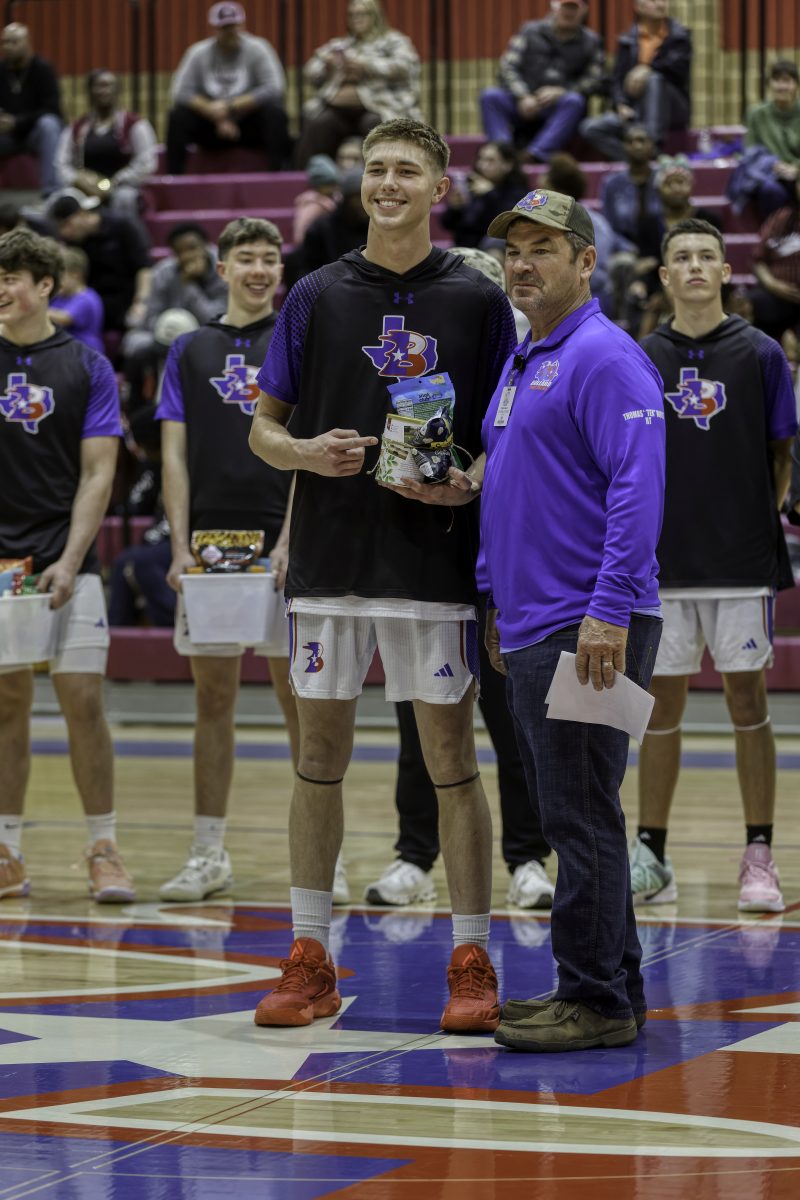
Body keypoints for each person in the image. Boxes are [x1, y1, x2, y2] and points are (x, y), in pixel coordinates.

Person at [248, 118, 517, 1032]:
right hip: (329, 563)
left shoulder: (478, 298)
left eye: (407, 170)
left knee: (451, 762)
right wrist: (304, 452)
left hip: (431, 562)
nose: (388, 183)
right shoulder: (315, 292)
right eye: (375, 169)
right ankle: (309, 955)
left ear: (440, 189)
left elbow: (508, 432)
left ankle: (471, 960)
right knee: (317, 760)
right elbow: (263, 429)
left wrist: (468, 483)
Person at [479, 188, 665, 1053]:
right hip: (536, 621)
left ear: (586, 262)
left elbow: (638, 488)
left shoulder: (604, 356)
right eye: (513, 250)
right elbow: (512, 486)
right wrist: (495, 595)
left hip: (589, 623)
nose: (522, 264)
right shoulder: (527, 358)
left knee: (579, 816)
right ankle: (613, 984)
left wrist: (607, 611)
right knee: (584, 810)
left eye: (542, 249)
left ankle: (590, 999)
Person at [364, 244, 553, 911]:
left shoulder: (528, 370)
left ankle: (528, 858)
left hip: (505, 571)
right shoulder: (417, 373)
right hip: (428, 563)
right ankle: (414, 856)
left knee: (513, 722)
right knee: (422, 722)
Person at [629, 219, 797, 912]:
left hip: (740, 563)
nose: (695, 265)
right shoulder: (641, 356)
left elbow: (781, 455)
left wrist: (750, 523)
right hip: (663, 564)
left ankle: (759, 855)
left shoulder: (761, 353)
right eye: (683, 257)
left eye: (707, 256)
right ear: (665, 276)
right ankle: (652, 855)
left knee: (748, 703)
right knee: (659, 709)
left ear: (727, 272)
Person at [156, 217, 297, 902]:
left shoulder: (296, 342)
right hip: (210, 549)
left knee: (302, 703)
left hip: (280, 547)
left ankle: (319, 855)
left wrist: (292, 541)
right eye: (247, 259)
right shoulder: (189, 349)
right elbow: (173, 456)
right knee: (212, 700)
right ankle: (207, 853)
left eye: (270, 258)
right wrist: (179, 545)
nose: (259, 269)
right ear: (223, 269)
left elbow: (308, 449)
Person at [0, 228, 134, 902]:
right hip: (1, 565)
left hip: (68, 559)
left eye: (11, 278)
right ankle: (7, 850)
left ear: (45, 285)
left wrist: (71, 558)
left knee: (83, 700)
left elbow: (98, 473)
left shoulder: (87, 365)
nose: (0, 289)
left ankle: (103, 846)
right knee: (7, 703)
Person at [166, 2, 290, 175]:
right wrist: (213, 112)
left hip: (248, 126)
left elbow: (274, 88)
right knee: (178, 116)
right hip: (210, 126)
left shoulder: (258, 49)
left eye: (233, 26)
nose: (230, 32)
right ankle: (174, 177)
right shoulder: (198, 53)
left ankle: (278, 173)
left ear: (242, 25)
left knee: (275, 114)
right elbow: (180, 92)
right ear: (214, 29)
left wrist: (231, 107)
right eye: (224, 28)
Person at [295, 0, 422, 167]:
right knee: (319, 124)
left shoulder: (393, 41)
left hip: (381, 106)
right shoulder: (340, 44)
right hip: (339, 109)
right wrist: (328, 66)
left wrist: (366, 66)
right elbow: (311, 71)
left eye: (362, 14)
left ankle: (380, 172)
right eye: (352, 15)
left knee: (373, 125)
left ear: (375, 16)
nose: (356, 18)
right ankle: (305, 175)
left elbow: (406, 66)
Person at [122, 221, 228, 415]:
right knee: (134, 343)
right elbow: (150, 319)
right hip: (168, 338)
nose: (187, 256)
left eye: (192, 248)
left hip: (212, 336)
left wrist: (188, 285)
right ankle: (139, 412)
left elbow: (216, 318)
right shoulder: (163, 272)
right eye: (180, 252)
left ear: (206, 246)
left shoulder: (224, 270)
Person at [480, 2, 606, 163]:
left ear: (584, 11)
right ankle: (503, 154)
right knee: (490, 96)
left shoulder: (592, 41)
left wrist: (563, 91)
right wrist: (523, 96)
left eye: (573, 8)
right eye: (565, 7)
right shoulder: (528, 31)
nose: (568, 13)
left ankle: (535, 155)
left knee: (575, 101)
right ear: (554, 8)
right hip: (522, 102)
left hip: (558, 107)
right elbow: (507, 67)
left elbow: (595, 79)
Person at [580, 0, 691, 161]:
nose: (660, 4)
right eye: (653, 0)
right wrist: (621, 104)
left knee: (654, 79)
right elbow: (617, 80)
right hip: (637, 110)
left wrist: (649, 68)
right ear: (639, 7)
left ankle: (652, 142)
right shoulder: (627, 40)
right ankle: (641, 159)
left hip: (672, 108)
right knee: (590, 128)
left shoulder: (679, 36)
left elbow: (679, 68)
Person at [54, 69, 158, 222]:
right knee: (62, 199)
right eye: (99, 86)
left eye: (109, 85)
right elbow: (61, 164)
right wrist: (77, 180)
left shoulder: (135, 125)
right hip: (83, 187)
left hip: (122, 186)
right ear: (89, 92)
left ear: (117, 91)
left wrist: (112, 183)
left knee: (124, 198)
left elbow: (146, 163)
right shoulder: (76, 128)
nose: (104, 91)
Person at [46, 188, 151, 337]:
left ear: (82, 213)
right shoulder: (73, 241)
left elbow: (144, 267)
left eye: (67, 224)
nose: (64, 232)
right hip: (93, 303)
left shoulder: (123, 225)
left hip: (127, 299)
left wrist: (141, 302)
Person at [0, 23, 61, 196]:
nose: (7, 47)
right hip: (6, 135)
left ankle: (51, 192)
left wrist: (17, 122)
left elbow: (52, 108)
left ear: (27, 43)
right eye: (4, 42)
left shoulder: (43, 69)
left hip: (35, 133)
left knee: (49, 124)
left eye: (13, 42)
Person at [441, 141, 529, 249]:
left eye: (490, 160)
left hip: (493, 249)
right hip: (464, 247)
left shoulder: (517, 191)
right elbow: (447, 224)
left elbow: (509, 223)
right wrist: (455, 208)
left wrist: (490, 193)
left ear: (507, 165)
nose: (482, 165)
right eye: (480, 159)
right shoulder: (471, 185)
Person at [287, 167, 368, 285]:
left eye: (368, 198)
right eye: (358, 197)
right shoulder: (322, 227)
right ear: (346, 199)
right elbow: (302, 266)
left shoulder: (376, 226)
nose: (364, 203)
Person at [742, 61, 800, 220]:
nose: (781, 86)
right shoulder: (757, 114)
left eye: (787, 81)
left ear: (796, 85)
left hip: (797, 173)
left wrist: (796, 169)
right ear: (769, 84)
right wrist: (774, 165)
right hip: (769, 174)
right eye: (777, 80)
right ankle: (775, 233)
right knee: (770, 190)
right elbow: (750, 152)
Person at [750, 175, 800, 344]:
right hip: (778, 295)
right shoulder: (781, 218)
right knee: (748, 305)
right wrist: (772, 284)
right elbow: (757, 260)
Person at [48, 245, 104, 354]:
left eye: (60, 277)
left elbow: (64, 318)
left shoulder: (87, 298)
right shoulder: (59, 298)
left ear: (76, 275)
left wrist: (35, 309)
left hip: (86, 354)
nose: (56, 282)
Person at [293, 154, 340, 244]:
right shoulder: (311, 207)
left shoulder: (336, 199)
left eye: (335, 184)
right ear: (317, 186)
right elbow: (300, 235)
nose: (333, 188)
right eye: (329, 184)